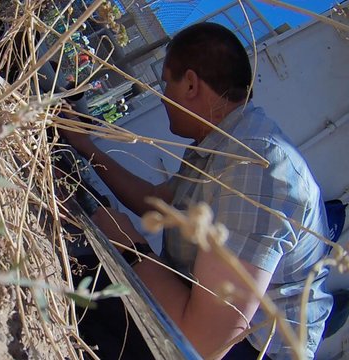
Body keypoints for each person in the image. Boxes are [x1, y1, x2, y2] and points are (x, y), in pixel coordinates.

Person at [62, 22, 332, 359]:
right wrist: (83, 144)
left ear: (190, 84)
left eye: (166, 84)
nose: (163, 97)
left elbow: (203, 343)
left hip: (244, 347)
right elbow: (158, 206)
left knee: (83, 308)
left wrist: (131, 247)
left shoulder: (257, 168)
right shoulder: (218, 144)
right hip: (203, 318)